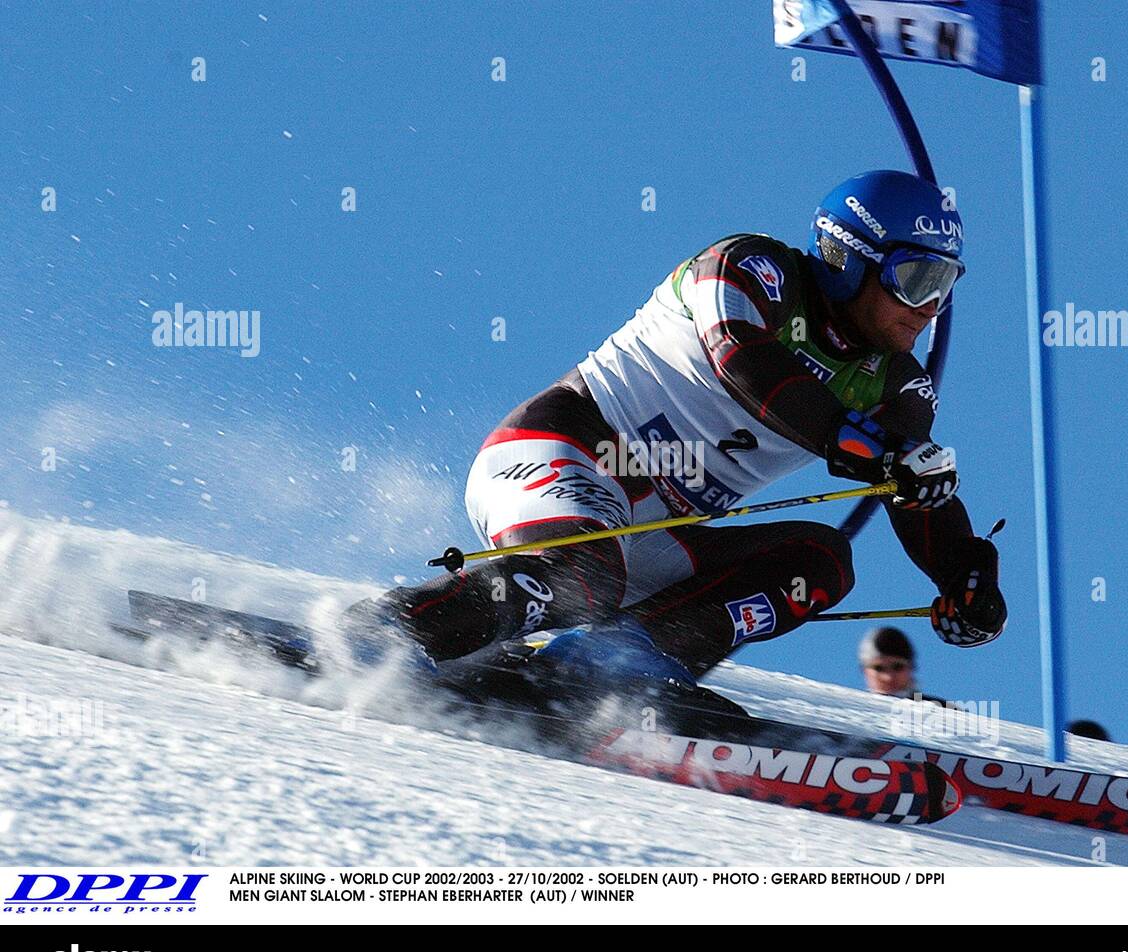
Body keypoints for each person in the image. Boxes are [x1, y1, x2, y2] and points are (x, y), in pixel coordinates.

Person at [353, 170, 1007, 689]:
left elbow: (913, 488)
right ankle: (392, 632)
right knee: (586, 572)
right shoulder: (751, 270)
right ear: (847, 257)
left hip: (651, 536)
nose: (929, 308)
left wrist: (966, 577)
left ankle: (620, 664)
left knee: (823, 561)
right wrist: (855, 442)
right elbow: (745, 360)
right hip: (562, 457)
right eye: (917, 278)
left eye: (945, 284)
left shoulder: (897, 383)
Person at [859, 626, 946, 704]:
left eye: (897, 667)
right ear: (864, 670)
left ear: (912, 666)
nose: (888, 677)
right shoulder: (854, 711)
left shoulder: (943, 711)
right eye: (878, 668)